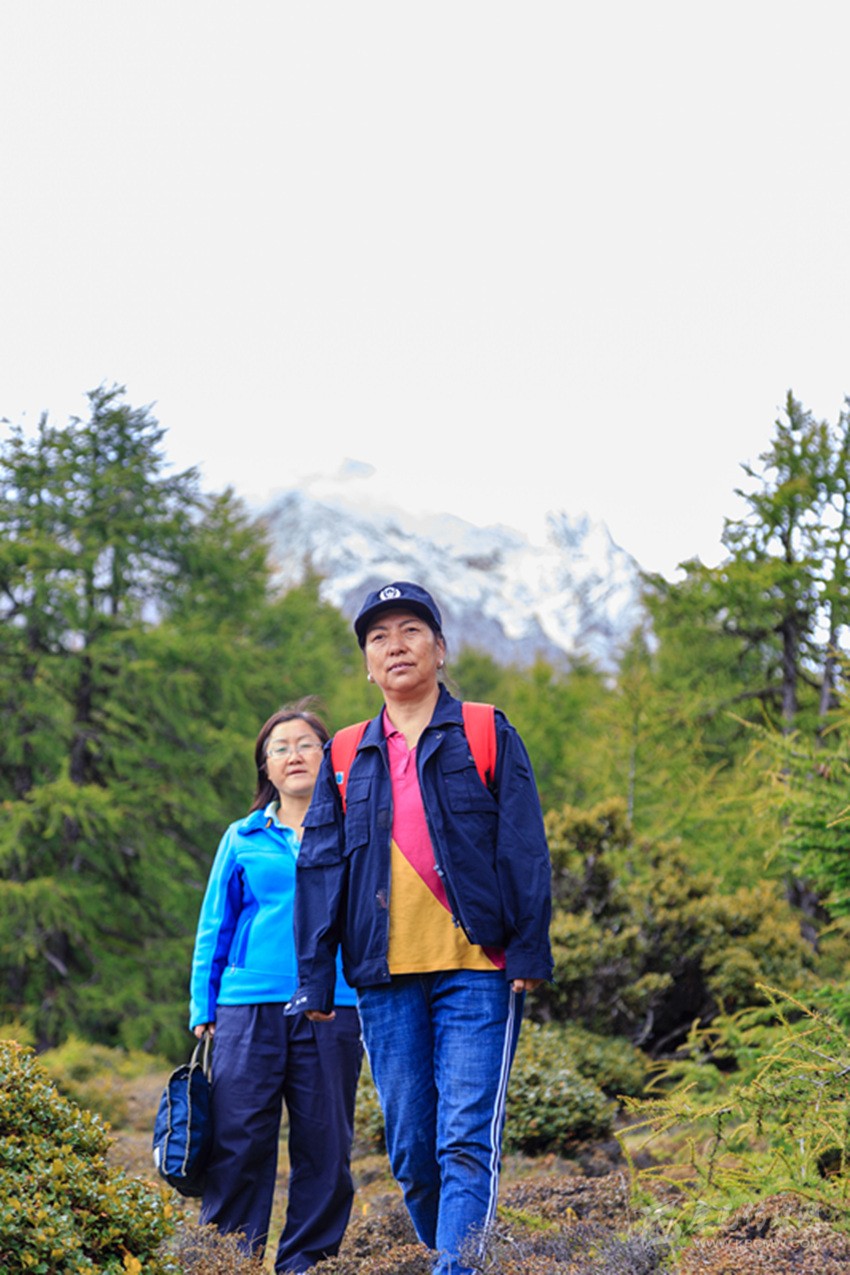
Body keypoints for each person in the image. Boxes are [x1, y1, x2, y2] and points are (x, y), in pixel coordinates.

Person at [289, 582, 553, 1275]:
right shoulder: (345, 752)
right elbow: (320, 867)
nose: (395, 645)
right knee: (410, 1148)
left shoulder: (486, 731)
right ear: (367, 665)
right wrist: (314, 975)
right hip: (383, 975)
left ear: (439, 649)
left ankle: (456, 1268)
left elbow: (523, 845)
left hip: (478, 968)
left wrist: (530, 946)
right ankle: (454, 1253)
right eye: (379, 637)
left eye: (411, 630)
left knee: (465, 1139)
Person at [189, 702, 362, 1274]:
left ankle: (306, 1265)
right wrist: (202, 1004)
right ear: (266, 766)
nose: (294, 755)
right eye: (280, 748)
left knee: (326, 1147)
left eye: (307, 744)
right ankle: (227, 1263)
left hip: (334, 1003)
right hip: (247, 1006)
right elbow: (215, 924)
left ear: (328, 758)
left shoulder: (352, 831)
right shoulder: (242, 836)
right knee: (238, 1141)